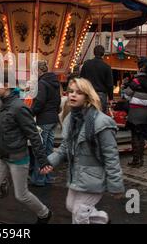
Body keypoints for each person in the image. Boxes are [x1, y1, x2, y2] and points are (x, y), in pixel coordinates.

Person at [41, 78, 124, 224]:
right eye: (70, 91)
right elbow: (65, 148)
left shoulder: (101, 122)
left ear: (87, 96)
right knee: (71, 206)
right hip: (77, 175)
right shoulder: (69, 120)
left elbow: (111, 156)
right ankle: (102, 219)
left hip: (94, 177)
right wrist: (49, 162)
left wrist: (116, 185)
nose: (72, 95)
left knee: (79, 213)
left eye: (78, 92)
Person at [0, 71, 52, 224]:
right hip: (1, 156)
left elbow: (33, 134)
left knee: (21, 195)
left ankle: (44, 213)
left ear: (6, 86)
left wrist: (43, 161)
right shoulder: (0, 104)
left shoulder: (19, 107)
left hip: (18, 158)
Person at [29, 60, 61, 187]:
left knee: (40, 150)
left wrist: (30, 113)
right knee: (48, 150)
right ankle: (48, 177)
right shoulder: (54, 82)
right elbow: (58, 100)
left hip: (44, 120)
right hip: (53, 119)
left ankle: (39, 179)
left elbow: (39, 102)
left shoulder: (42, 83)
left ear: (38, 71)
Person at [123, 60, 147, 168]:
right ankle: (141, 160)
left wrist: (131, 96)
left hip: (134, 110)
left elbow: (127, 94)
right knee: (141, 135)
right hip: (145, 111)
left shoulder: (137, 81)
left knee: (134, 135)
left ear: (142, 69)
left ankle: (135, 160)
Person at [80, 45, 113, 113]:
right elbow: (110, 84)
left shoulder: (86, 64)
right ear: (103, 54)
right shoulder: (107, 67)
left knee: (86, 114)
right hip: (101, 95)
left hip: (88, 93)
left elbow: (81, 80)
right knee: (100, 116)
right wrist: (111, 98)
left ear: (94, 53)